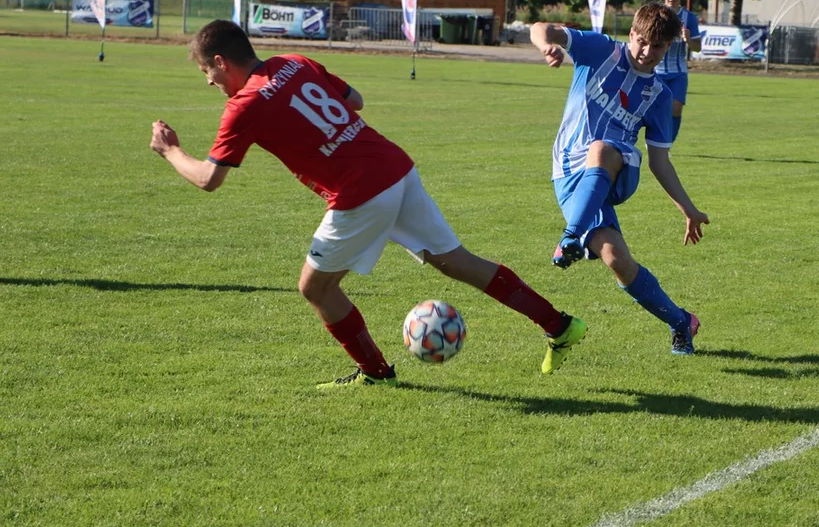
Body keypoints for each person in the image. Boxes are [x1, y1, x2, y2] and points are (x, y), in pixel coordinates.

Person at [149, 20, 587, 387]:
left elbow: (209, 179)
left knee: (315, 287)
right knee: (455, 260)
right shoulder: (294, 62)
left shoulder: (244, 105)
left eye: (208, 71)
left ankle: (375, 373)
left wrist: (170, 151)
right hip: (392, 166)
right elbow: (355, 101)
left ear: (222, 62)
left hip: (359, 190)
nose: (209, 81)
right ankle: (559, 325)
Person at [530, 2, 710, 355]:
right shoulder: (599, 50)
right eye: (642, 41)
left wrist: (688, 209)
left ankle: (569, 238)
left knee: (602, 149)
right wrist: (545, 47)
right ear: (631, 34)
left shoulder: (659, 95)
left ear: (669, 47)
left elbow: (660, 161)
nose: (647, 52)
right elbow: (541, 27)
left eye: (657, 47)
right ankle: (681, 322)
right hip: (568, 175)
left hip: (618, 172)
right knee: (617, 261)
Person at [654, 0, 703, 144]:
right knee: (655, 110)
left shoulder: (689, 18)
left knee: (675, 109)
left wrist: (688, 39)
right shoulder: (655, 15)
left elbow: (697, 48)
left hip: (679, 72)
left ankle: (666, 145)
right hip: (656, 71)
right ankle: (653, 140)